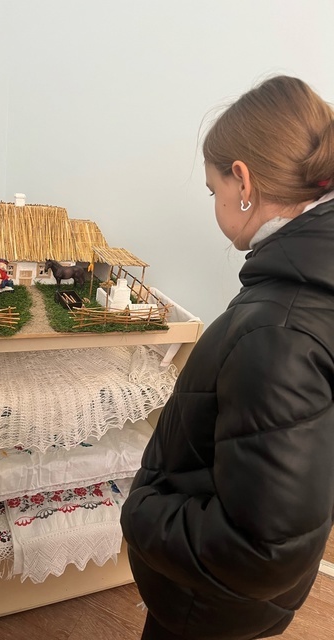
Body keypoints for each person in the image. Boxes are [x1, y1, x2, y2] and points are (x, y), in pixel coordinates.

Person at [121, 75, 334, 640]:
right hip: (228, 599)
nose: (215, 203)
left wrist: (141, 515)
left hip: (207, 607)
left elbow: (262, 550)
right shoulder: (304, 289)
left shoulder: (280, 331)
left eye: (213, 188)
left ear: (243, 180)